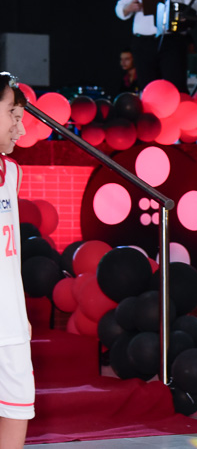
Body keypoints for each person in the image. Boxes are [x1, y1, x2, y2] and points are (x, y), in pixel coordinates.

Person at [0, 72, 33, 449]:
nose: (19, 128)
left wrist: (20, 315)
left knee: (17, 408)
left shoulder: (12, 172)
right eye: (13, 114)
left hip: (10, 324)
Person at [115, 0, 197, 93]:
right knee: (148, 86)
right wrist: (128, 8)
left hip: (171, 39)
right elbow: (120, 8)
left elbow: (196, 5)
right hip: (144, 41)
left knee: (176, 84)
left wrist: (180, 10)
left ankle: (179, 103)